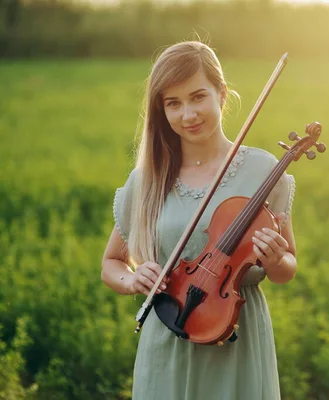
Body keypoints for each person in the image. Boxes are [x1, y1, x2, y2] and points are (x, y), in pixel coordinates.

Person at [100, 40, 297, 400]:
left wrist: (275, 259)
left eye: (197, 97)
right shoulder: (148, 180)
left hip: (236, 336)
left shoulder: (264, 171)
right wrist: (132, 280)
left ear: (222, 95)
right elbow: (111, 262)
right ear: (162, 110)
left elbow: (286, 269)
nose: (188, 114)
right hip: (168, 332)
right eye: (173, 103)